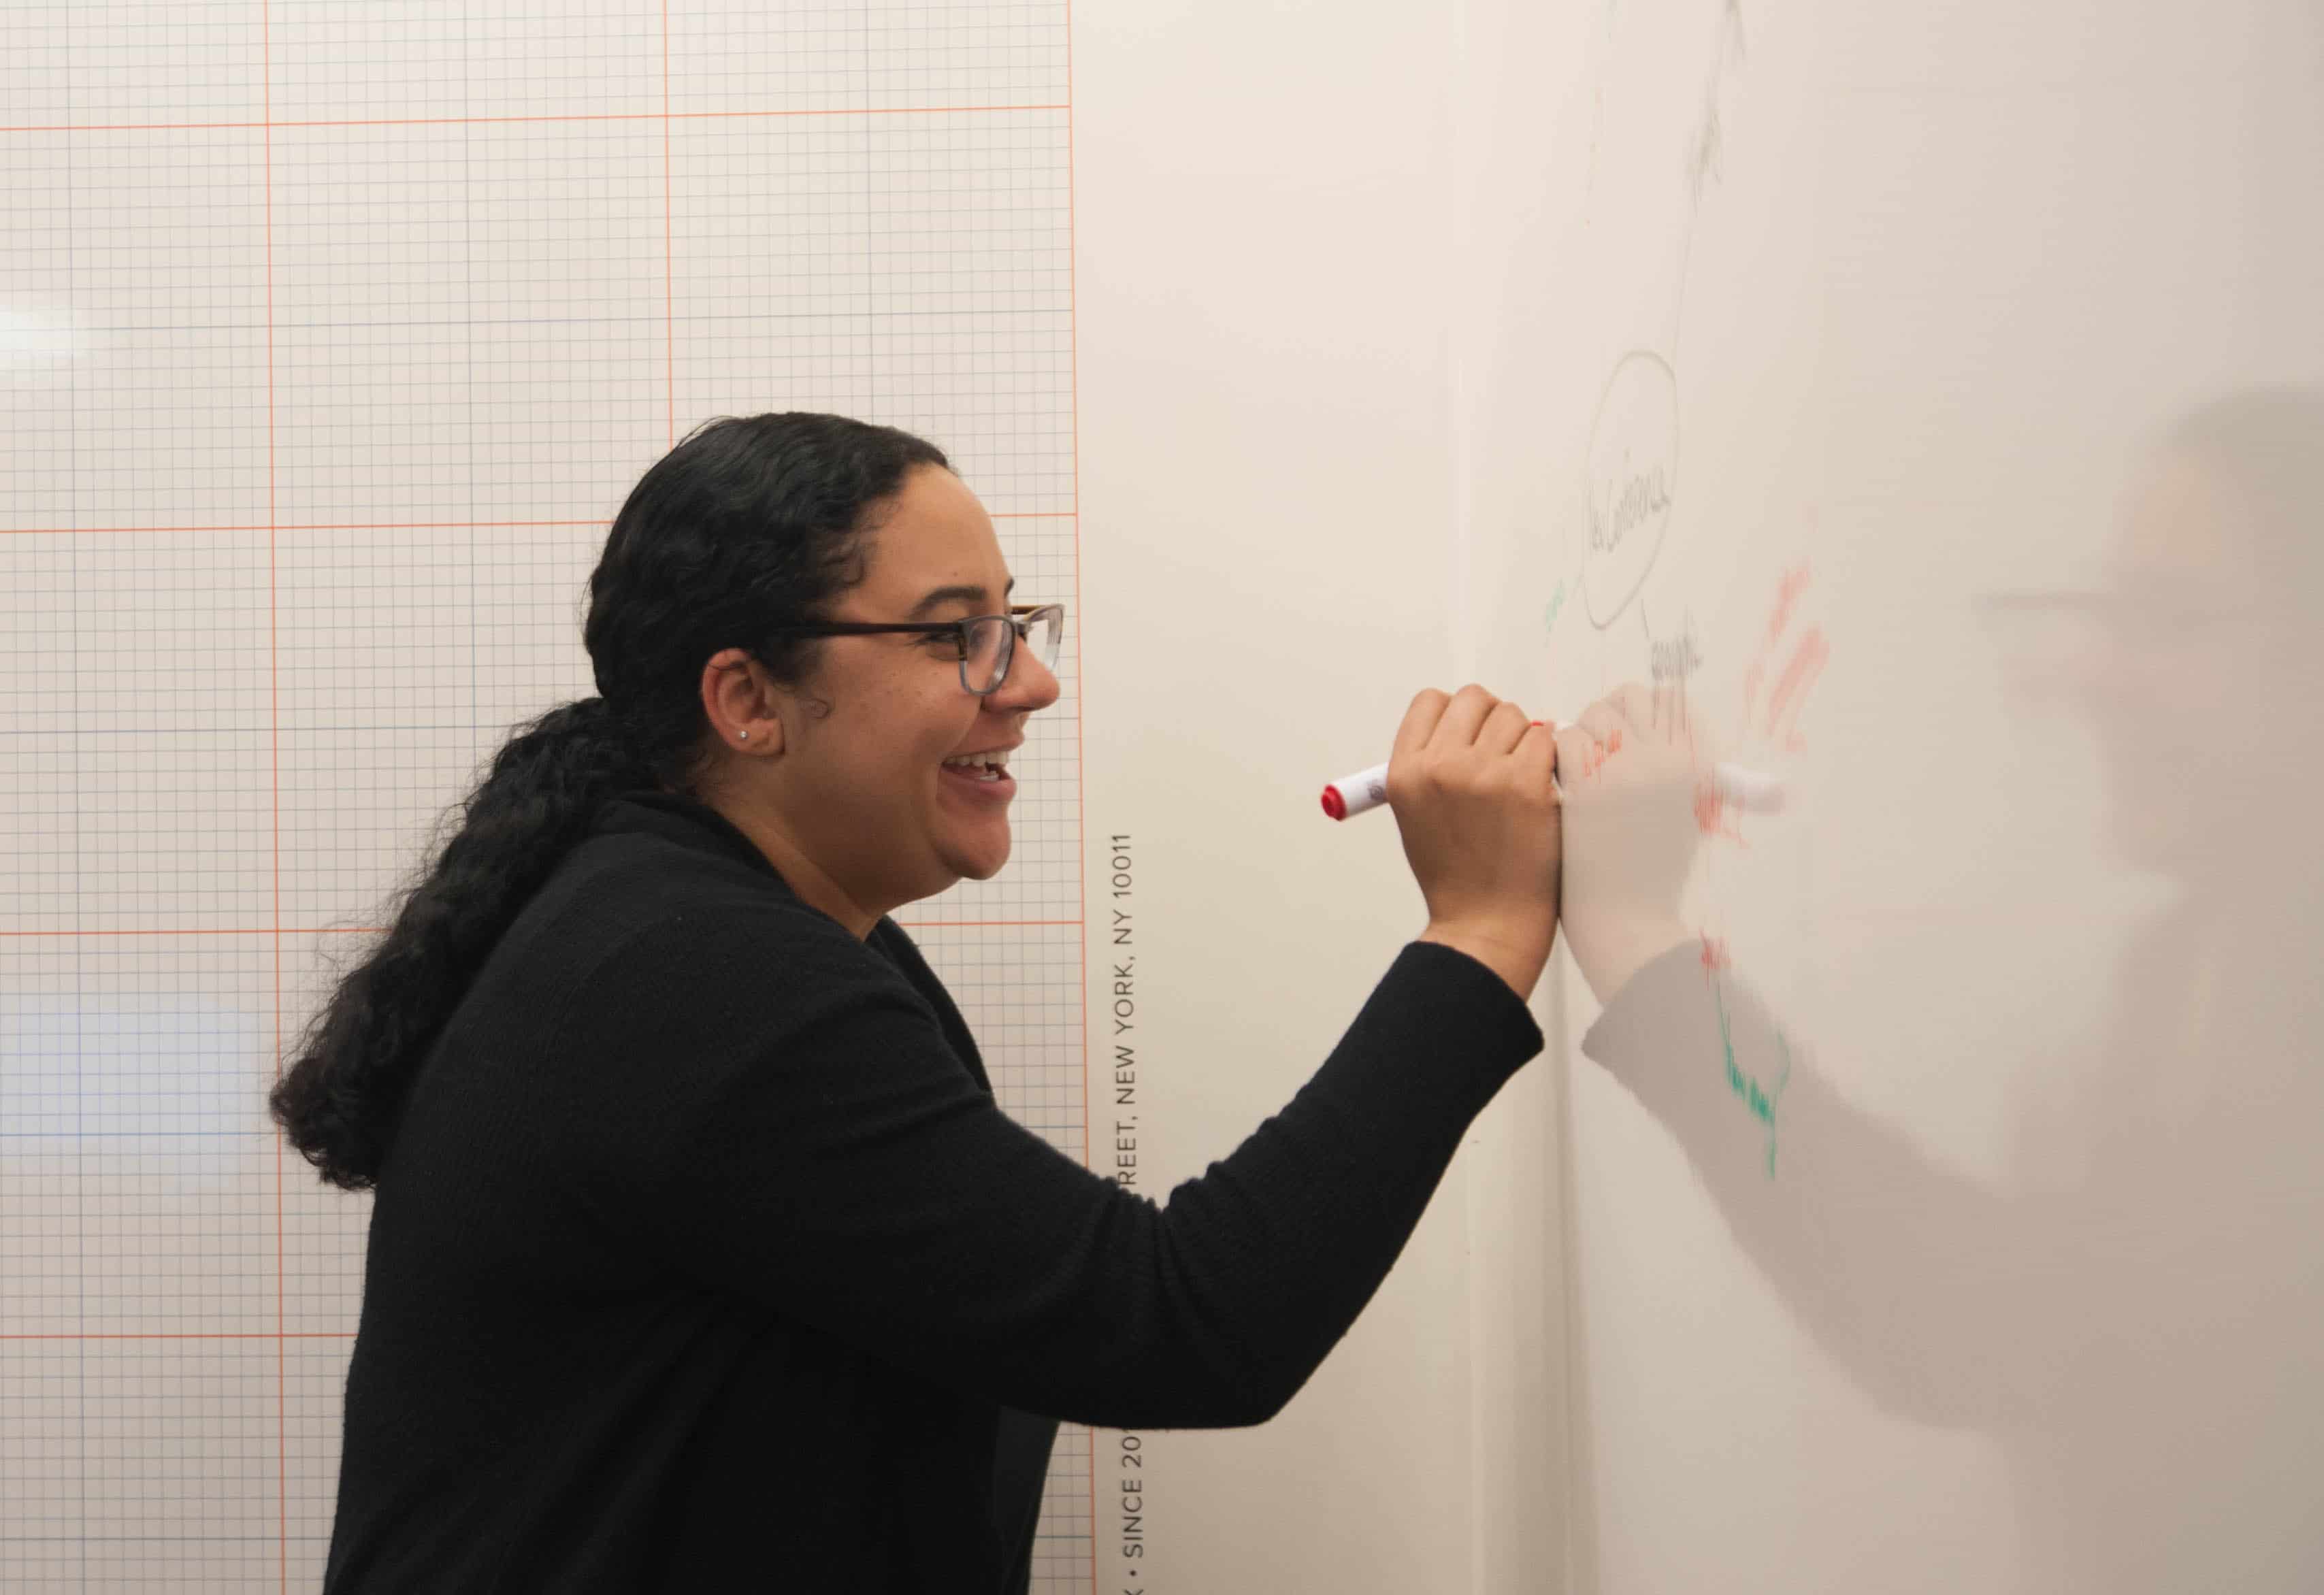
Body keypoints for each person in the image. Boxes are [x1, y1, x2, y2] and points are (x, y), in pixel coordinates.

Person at [271, 411, 1565, 1593]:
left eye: (1017, 623)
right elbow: (1179, 1323)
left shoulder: (752, 930)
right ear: (746, 701)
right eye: (958, 636)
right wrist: (1481, 933)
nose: (1030, 684)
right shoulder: (697, 975)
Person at [1554, 388, 2324, 1590]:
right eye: (2106, 614)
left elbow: (1964, 1313)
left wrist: (1639, 931)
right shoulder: (2174, 977)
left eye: (2171, 621)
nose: (2095, 674)